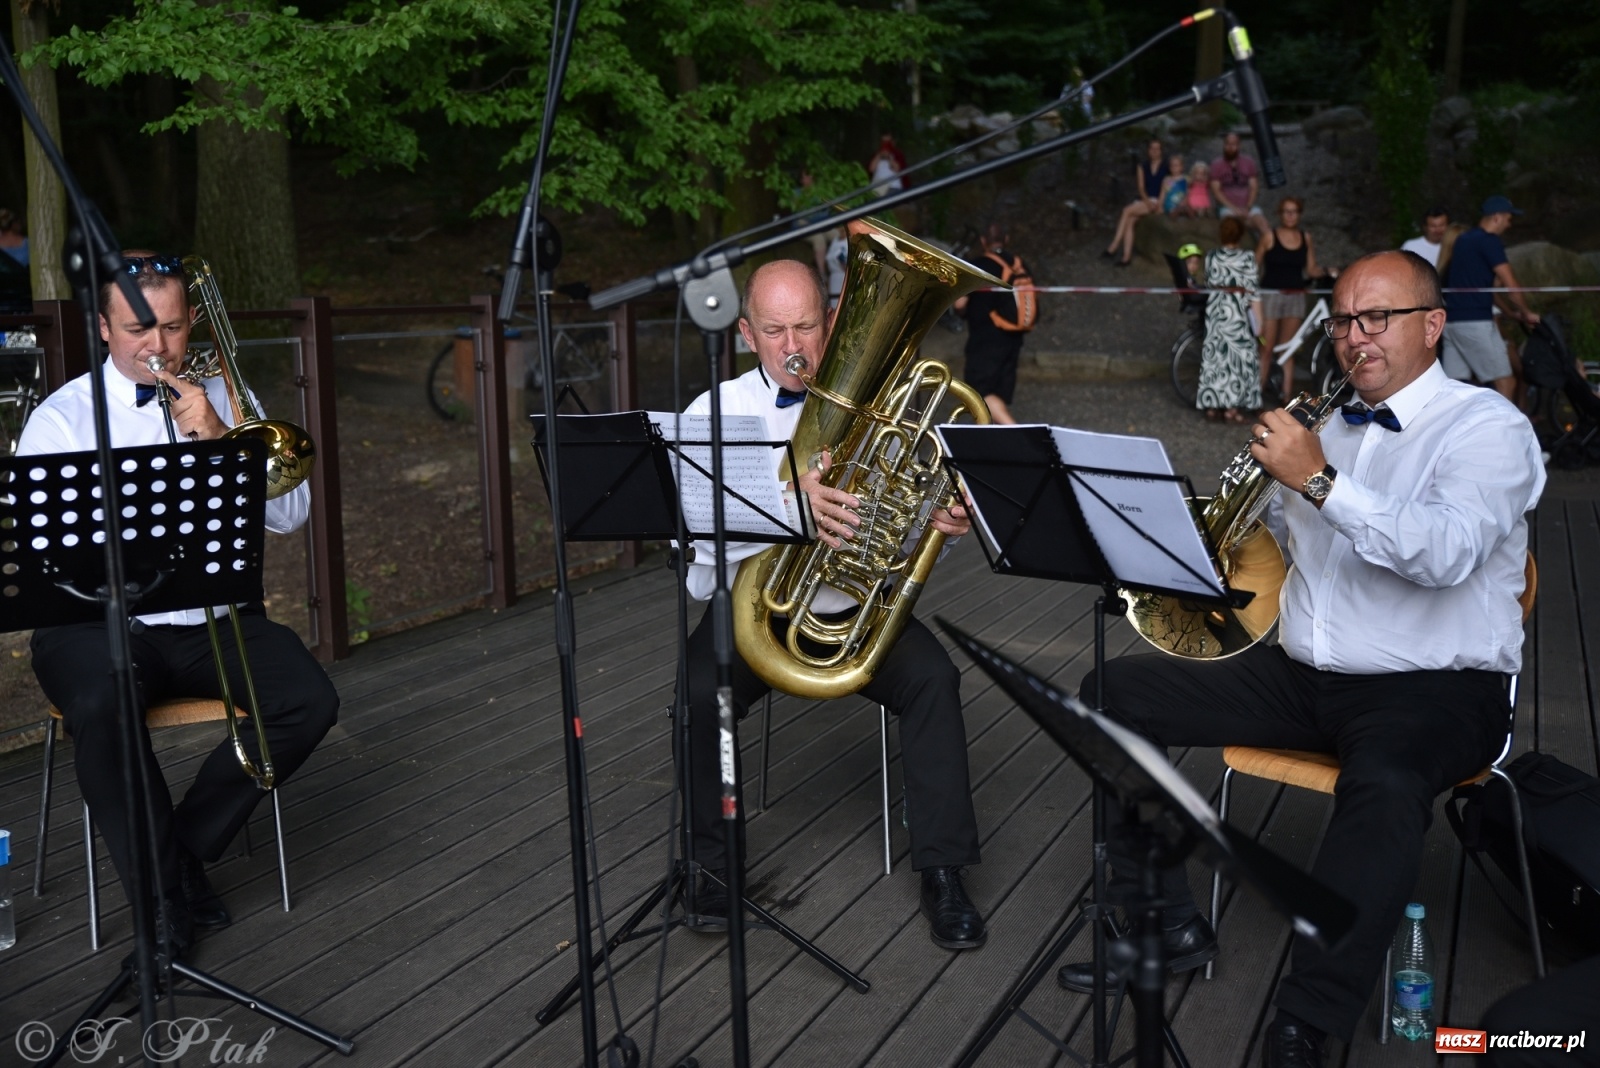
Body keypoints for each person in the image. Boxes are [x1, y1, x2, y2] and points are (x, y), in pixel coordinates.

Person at [1056, 250, 1543, 1068]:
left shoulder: (1488, 429)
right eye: (1346, 319)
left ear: (1431, 325)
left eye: (1377, 317)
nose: (1356, 337)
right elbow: (1268, 551)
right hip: (1303, 673)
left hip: (1438, 688)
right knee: (1109, 692)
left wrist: (1317, 479)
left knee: (1384, 785)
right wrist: (1182, 545)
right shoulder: (1326, 424)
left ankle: (1309, 1020)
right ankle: (1165, 922)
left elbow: (1446, 553)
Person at [18, 252, 339, 959]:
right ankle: (162, 913)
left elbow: (292, 517)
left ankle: (181, 854)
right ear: (103, 327)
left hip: (213, 622)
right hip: (96, 627)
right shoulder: (62, 419)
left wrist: (220, 442)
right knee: (104, 706)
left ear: (191, 320)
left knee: (307, 700)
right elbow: (44, 560)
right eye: (138, 329)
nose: (158, 347)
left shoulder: (224, 395)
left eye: (169, 326)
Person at [679, 259, 987, 951]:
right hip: (756, 611)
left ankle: (944, 873)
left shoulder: (887, 404)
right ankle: (709, 871)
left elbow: (896, 532)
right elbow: (697, 547)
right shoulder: (716, 414)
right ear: (746, 333)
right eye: (776, 328)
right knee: (700, 691)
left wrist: (936, 519)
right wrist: (790, 507)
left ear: (834, 319)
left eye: (809, 325)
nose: (795, 345)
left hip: (853, 607)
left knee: (936, 680)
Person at [1442, 195, 1541, 402]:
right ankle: (1501, 432)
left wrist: (1510, 314)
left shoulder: (1463, 240)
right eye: (1508, 218)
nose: (1509, 223)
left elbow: (1484, 288)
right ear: (1496, 217)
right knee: (1506, 382)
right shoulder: (1490, 242)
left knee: (1453, 388)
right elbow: (1510, 283)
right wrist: (1528, 313)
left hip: (1451, 323)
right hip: (1475, 323)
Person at [1256, 197, 1335, 401]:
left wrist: (1330, 271)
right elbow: (1253, 267)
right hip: (1271, 296)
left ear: (1299, 214)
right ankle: (1254, 396)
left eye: (1294, 211)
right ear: (1280, 214)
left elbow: (1310, 269)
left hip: (1296, 297)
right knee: (1266, 347)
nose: (1290, 215)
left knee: (1288, 347)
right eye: (1286, 211)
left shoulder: (1305, 237)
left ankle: (1287, 399)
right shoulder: (1269, 237)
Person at [953, 222, 1033, 424]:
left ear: (983, 241)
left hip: (985, 339)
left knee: (979, 391)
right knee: (996, 394)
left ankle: (1015, 434)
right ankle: (993, 443)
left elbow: (960, 303)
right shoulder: (1018, 264)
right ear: (1006, 240)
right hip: (1014, 338)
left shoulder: (978, 266)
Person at [1196, 216, 1262, 423]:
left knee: (1215, 358)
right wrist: (1259, 321)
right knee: (1237, 360)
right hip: (1237, 313)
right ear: (1240, 234)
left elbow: (1208, 281)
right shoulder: (1247, 258)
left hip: (1216, 312)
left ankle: (1212, 404)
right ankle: (1232, 408)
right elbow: (1252, 291)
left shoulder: (1212, 256)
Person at [1104, 139, 1166, 267]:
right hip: (1144, 199)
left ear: (1161, 151)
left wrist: (1159, 203)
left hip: (1158, 199)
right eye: (1152, 148)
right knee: (1130, 220)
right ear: (1148, 150)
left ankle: (1114, 246)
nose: (1154, 151)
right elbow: (1141, 187)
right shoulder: (1142, 166)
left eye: (1157, 149)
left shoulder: (1166, 167)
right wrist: (1146, 201)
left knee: (1126, 211)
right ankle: (1126, 257)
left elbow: (1168, 186)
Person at [1209, 132, 1271, 239]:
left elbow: (1254, 187)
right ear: (1224, 145)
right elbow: (1216, 191)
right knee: (1231, 228)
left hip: (1247, 206)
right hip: (1227, 207)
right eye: (1228, 144)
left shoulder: (1249, 162)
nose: (1230, 147)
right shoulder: (1216, 165)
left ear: (1239, 145)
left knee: (1264, 226)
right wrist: (1234, 208)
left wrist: (1248, 206)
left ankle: (1268, 252)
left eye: (1234, 144)